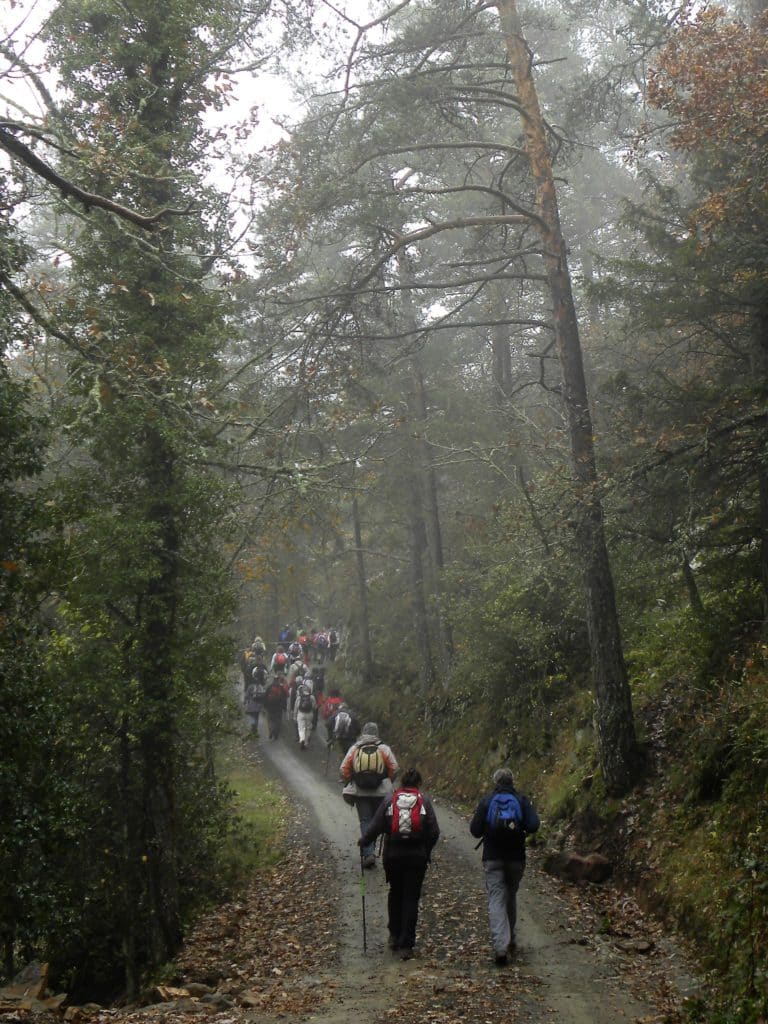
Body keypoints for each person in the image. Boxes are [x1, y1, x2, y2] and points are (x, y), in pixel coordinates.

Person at [358, 768, 439, 959]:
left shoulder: (390, 800)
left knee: (395, 893)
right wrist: (425, 850)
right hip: (417, 857)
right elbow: (434, 832)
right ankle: (406, 945)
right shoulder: (424, 801)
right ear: (418, 783)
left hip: (393, 856)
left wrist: (364, 841)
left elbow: (376, 826)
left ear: (402, 782)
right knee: (411, 898)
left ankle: (394, 935)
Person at [469, 767, 540, 965]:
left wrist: (488, 827)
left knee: (496, 899)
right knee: (511, 895)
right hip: (516, 858)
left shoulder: (488, 800)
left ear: (495, 782)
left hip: (492, 858)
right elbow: (534, 825)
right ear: (512, 781)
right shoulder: (521, 800)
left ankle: (501, 946)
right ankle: (511, 940)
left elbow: (474, 830)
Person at [340, 723, 399, 868]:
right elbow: (395, 768)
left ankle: (369, 853)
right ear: (376, 733)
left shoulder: (355, 748)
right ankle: (387, 853)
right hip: (381, 793)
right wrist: (387, 780)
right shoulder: (384, 749)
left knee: (366, 821)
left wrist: (351, 780)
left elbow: (344, 769)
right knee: (381, 823)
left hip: (361, 793)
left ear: (363, 733)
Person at [294, 676, 316, 750]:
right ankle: (306, 743)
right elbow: (314, 707)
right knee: (308, 728)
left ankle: (302, 739)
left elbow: (296, 707)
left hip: (301, 713)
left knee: (301, 728)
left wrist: (294, 716)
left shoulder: (299, 697)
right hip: (309, 714)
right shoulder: (312, 697)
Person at [264, 675, 287, 740]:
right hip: (278, 708)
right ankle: (276, 734)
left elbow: (265, 697)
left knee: (270, 720)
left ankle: (271, 730)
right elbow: (284, 698)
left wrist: (265, 705)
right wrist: (284, 707)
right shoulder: (281, 688)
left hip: (270, 707)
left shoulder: (269, 687)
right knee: (278, 721)